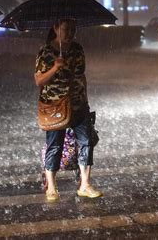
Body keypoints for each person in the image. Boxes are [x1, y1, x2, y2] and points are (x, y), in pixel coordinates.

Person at [35, 18, 102, 201]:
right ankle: (51, 185)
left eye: (73, 28)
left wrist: (86, 100)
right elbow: (39, 80)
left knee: (86, 141)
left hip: (78, 103)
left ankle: (85, 184)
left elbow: (82, 75)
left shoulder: (77, 49)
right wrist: (55, 67)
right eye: (66, 28)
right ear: (56, 28)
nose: (70, 32)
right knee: (55, 145)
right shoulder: (46, 52)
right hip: (55, 105)